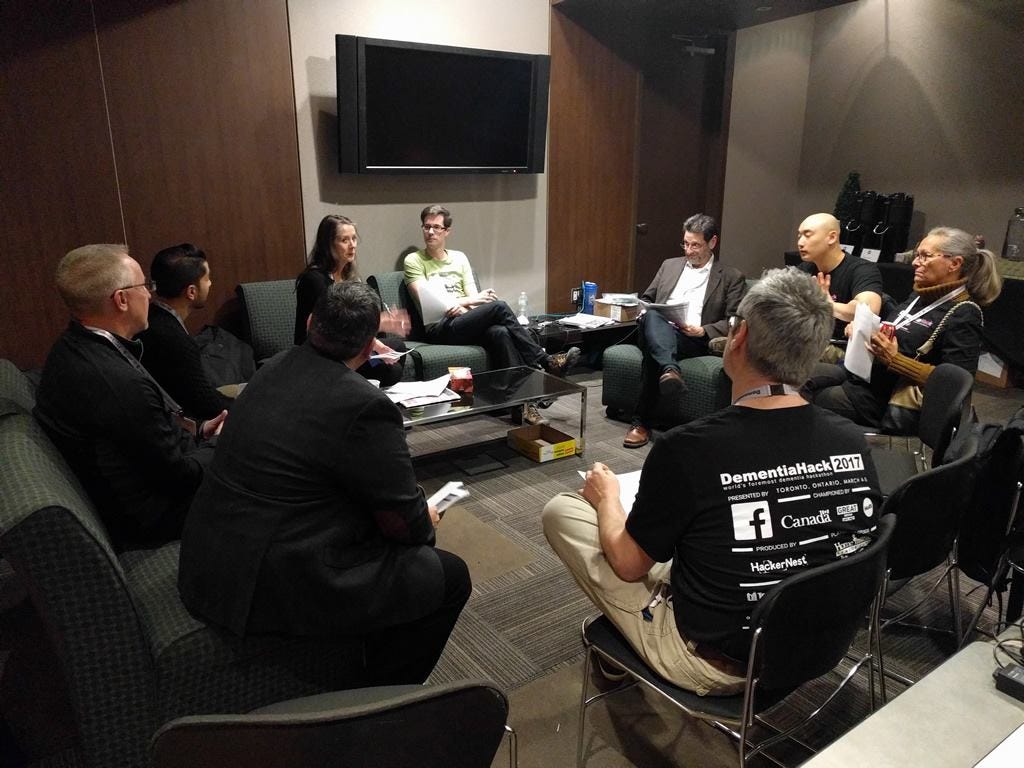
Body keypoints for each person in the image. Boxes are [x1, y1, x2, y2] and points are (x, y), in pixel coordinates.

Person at [543, 267, 882, 695]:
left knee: (563, 511)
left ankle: (631, 640)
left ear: (739, 338)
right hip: (819, 647)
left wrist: (607, 497)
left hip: (721, 664)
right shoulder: (851, 438)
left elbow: (628, 565)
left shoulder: (687, 448)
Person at [178, 281, 470, 686]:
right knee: (448, 576)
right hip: (268, 581)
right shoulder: (365, 405)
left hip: (209, 558)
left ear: (311, 322)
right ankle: (379, 698)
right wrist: (426, 518)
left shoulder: (272, 367)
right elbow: (405, 522)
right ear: (369, 348)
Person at [34, 244, 225, 550]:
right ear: (121, 299)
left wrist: (200, 431)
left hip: (144, 490)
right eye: (143, 286)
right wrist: (221, 444)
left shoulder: (72, 345)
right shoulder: (116, 382)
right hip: (153, 519)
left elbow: (147, 439)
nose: (150, 294)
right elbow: (180, 477)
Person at [403, 204, 580, 423]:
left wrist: (465, 306)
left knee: (500, 333)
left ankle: (522, 405)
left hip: (464, 320)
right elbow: (425, 301)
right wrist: (466, 302)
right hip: (439, 327)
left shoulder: (459, 258)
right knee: (499, 307)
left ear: (447, 231)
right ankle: (545, 361)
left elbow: (474, 300)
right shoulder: (414, 261)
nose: (431, 232)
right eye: (427, 227)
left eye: (437, 227)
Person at [813, 227, 1002, 430]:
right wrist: (863, 332)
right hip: (863, 379)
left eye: (925, 256)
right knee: (799, 378)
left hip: (885, 400)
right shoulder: (919, 296)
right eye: (916, 255)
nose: (915, 262)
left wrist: (895, 360)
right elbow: (897, 333)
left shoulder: (964, 313)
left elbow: (956, 382)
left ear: (954, 264)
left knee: (810, 399)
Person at [623, 213, 747, 449]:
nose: (689, 250)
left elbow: (735, 320)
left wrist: (703, 330)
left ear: (712, 242)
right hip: (656, 327)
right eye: (686, 244)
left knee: (653, 351)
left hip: (692, 338)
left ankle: (641, 424)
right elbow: (648, 299)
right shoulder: (669, 265)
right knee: (653, 317)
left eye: (695, 245)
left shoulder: (731, 277)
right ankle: (670, 369)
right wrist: (642, 309)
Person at [295, 214, 409, 387]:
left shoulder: (349, 276)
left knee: (397, 347)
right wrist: (378, 324)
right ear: (328, 244)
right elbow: (336, 327)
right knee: (391, 371)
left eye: (354, 239)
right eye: (344, 240)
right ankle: (352, 391)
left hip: (347, 346)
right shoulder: (314, 280)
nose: (352, 245)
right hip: (325, 351)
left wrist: (376, 343)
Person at [136, 243, 232, 420]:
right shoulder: (174, 340)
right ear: (191, 292)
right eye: (207, 278)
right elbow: (205, 403)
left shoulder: (151, 317)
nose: (210, 283)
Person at [796, 212, 883, 360]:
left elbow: (867, 312)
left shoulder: (862, 269)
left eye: (807, 235)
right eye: (799, 236)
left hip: (841, 350)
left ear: (832, 237)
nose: (800, 242)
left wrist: (827, 305)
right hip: (808, 342)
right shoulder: (804, 270)